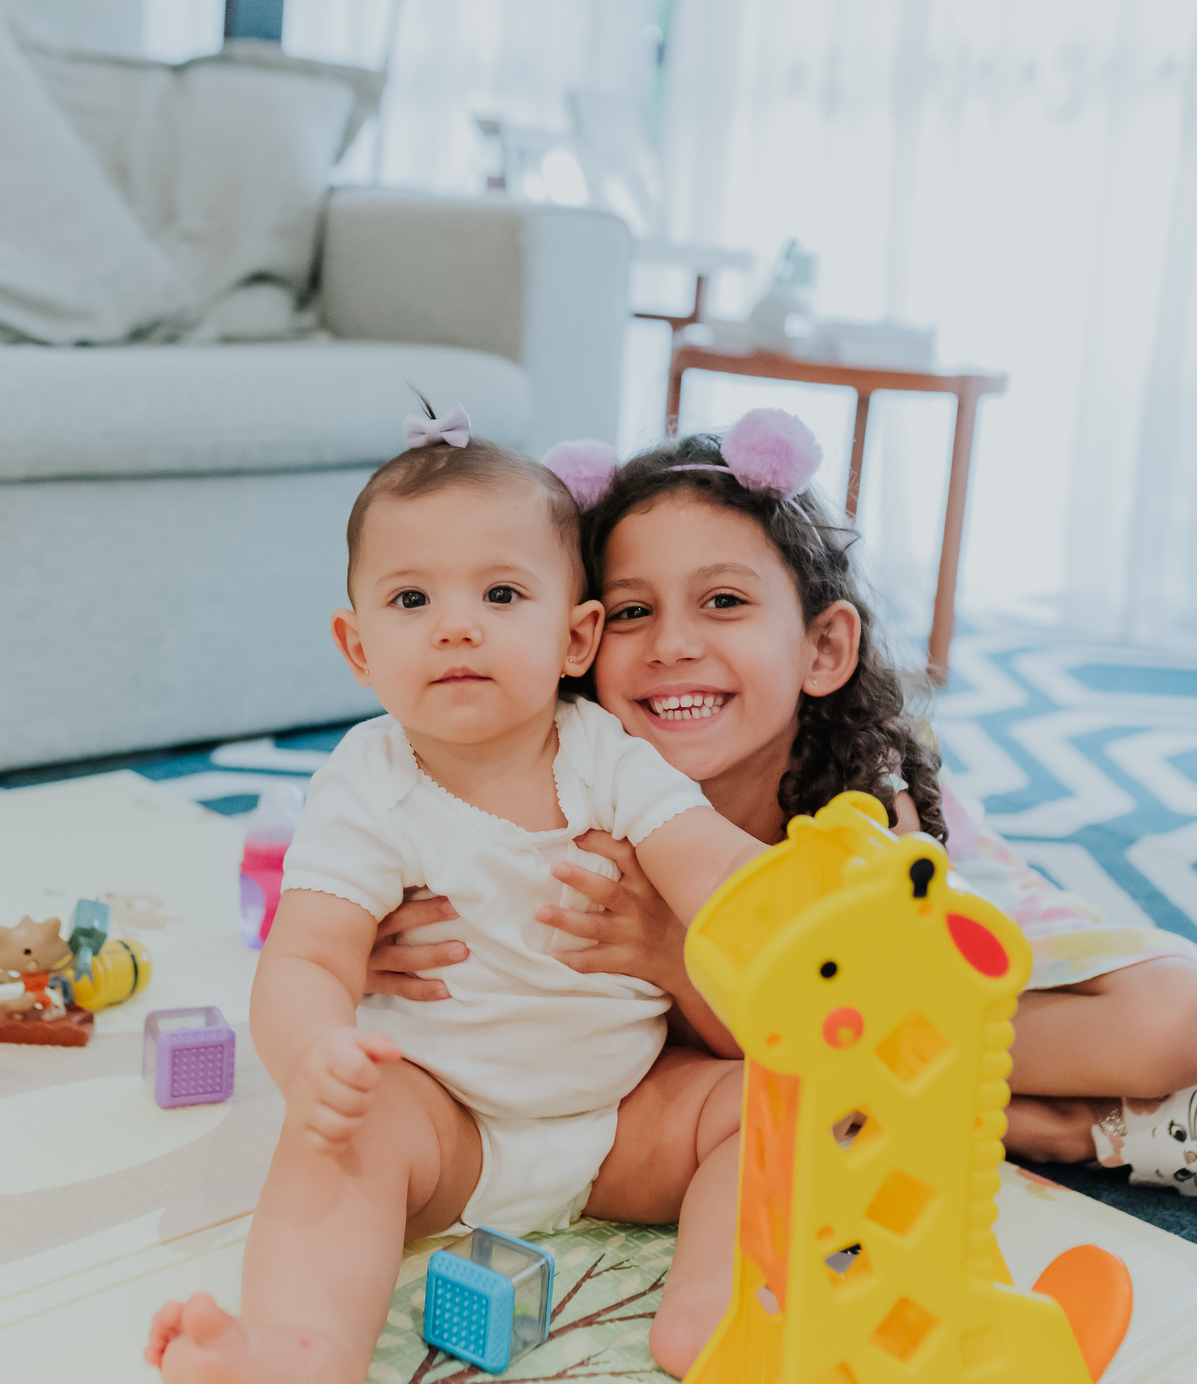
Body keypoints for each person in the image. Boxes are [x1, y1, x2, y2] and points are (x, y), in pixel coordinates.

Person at [145, 403, 776, 1384]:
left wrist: (788, 897)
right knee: (336, 1141)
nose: (455, 626)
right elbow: (305, 957)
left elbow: (706, 857)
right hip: (448, 1126)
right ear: (356, 645)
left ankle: (716, 1307)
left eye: (500, 594)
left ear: (574, 636)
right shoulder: (368, 782)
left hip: (626, 1121)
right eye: (410, 599)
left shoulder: (606, 753)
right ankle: (301, 1371)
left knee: (769, 1096)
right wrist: (313, 1058)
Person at [369, 419, 1197, 1203]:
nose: (673, 645)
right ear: (576, 639)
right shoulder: (567, 781)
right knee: (809, 1106)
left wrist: (676, 956)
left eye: (723, 601)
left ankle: (1046, 1124)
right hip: (791, 1026)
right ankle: (1043, 1120)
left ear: (822, 648)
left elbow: (825, 1025)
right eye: (631, 611)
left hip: (923, 917)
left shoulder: (864, 809)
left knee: (1173, 1019)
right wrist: (375, 936)